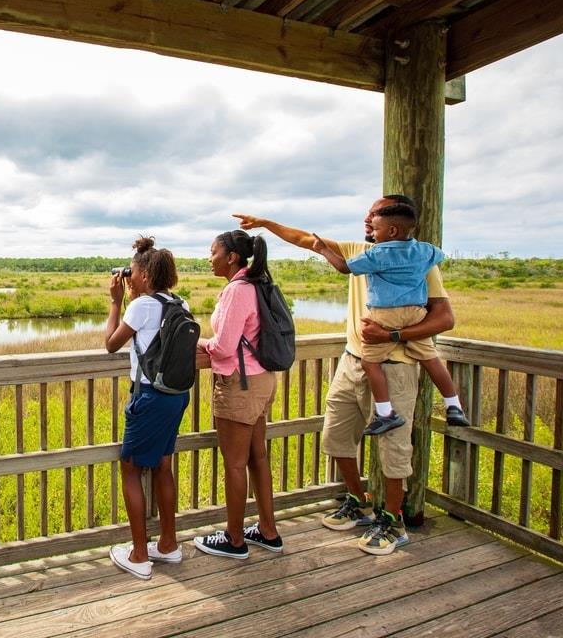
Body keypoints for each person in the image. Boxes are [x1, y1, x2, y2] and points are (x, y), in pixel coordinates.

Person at [234, 195, 455, 556]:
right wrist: (264, 223)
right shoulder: (358, 252)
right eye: (367, 216)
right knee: (336, 435)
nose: (367, 221)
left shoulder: (418, 262)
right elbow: (306, 239)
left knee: (394, 448)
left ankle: (393, 520)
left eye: (374, 216)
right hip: (353, 361)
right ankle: (358, 499)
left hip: (396, 366)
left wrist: (392, 336)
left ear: (392, 223)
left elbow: (445, 319)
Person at [311, 202, 469, 435]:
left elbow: (345, 267)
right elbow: (439, 256)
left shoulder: (378, 253)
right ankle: (453, 405)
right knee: (430, 359)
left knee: (369, 362)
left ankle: (385, 413)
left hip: (384, 315)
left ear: (392, 231)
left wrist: (323, 249)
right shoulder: (425, 250)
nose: (372, 234)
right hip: (416, 315)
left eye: (375, 229)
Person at [193, 230, 283, 559]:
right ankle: (268, 531)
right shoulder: (258, 283)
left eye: (213, 251)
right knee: (257, 458)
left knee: (234, 465)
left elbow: (224, 346)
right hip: (261, 380)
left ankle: (234, 539)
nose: (209, 257)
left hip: (238, 384)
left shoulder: (237, 290)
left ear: (231, 257)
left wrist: (198, 342)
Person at [104, 236, 191, 579]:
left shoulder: (140, 306)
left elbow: (111, 344)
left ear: (142, 275)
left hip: (149, 396)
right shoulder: (179, 304)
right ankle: (168, 544)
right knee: (162, 467)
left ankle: (139, 554)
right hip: (175, 396)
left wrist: (115, 303)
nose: (130, 276)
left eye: (134, 271)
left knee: (130, 468)